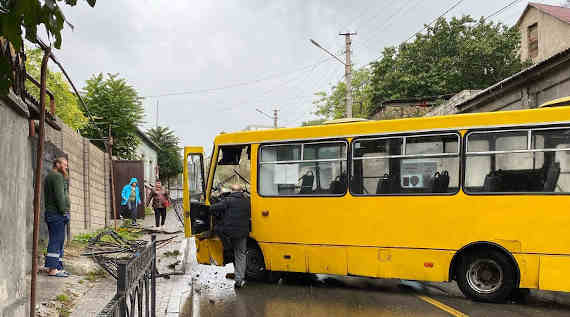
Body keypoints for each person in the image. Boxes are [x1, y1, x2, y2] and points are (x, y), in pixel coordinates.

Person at [210, 183, 251, 288]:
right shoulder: (247, 201)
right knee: (241, 254)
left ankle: (227, 249)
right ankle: (239, 279)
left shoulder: (227, 201)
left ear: (232, 191)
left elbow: (213, 209)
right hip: (242, 233)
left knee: (231, 251)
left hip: (229, 234)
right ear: (242, 191)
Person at [44, 157, 70, 277]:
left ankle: (57, 267)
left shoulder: (50, 176)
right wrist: (64, 211)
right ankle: (53, 270)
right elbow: (60, 197)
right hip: (57, 214)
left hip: (52, 213)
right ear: (57, 164)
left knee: (58, 241)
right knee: (56, 241)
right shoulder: (57, 177)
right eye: (64, 164)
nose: (66, 167)